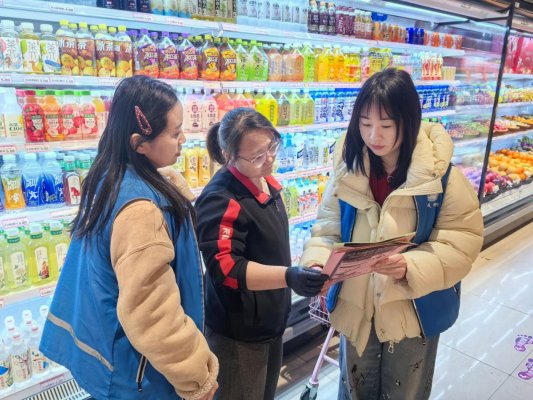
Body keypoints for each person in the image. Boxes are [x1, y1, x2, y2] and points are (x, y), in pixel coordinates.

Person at [300, 68, 484, 400]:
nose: (374, 136)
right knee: (354, 390)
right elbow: (327, 228)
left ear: (408, 121)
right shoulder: (348, 168)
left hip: (412, 313)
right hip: (356, 307)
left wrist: (409, 267)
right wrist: (317, 265)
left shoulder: (440, 175)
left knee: (405, 392)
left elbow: (461, 241)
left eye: (386, 125)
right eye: (365, 123)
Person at [39, 76, 219, 400]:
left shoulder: (110, 177)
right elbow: (152, 315)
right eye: (175, 133)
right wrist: (196, 377)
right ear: (139, 144)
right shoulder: (142, 211)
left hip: (110, 358)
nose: (183, 139)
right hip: (138, 376)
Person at [194, 108, 327, 400]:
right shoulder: (220, 199)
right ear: (229, 156)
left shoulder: (266, 181)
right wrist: (288, 277)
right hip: (239, 334)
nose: (268, 159)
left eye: (271, 147)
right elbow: (226, 268)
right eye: (256, 156)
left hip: (270, 322)